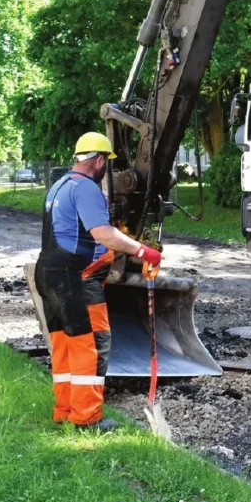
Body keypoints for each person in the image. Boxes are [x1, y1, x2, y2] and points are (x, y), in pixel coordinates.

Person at [34, 132, 162, 432]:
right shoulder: (87, 188)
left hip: (47, 273)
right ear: (100, 160)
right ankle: (87, 419)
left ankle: (65, 410)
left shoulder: (59, 186)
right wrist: (143, 250)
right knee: (91, 345)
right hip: (71, 277)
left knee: (64, 344)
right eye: (108, 164)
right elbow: (102, 233)